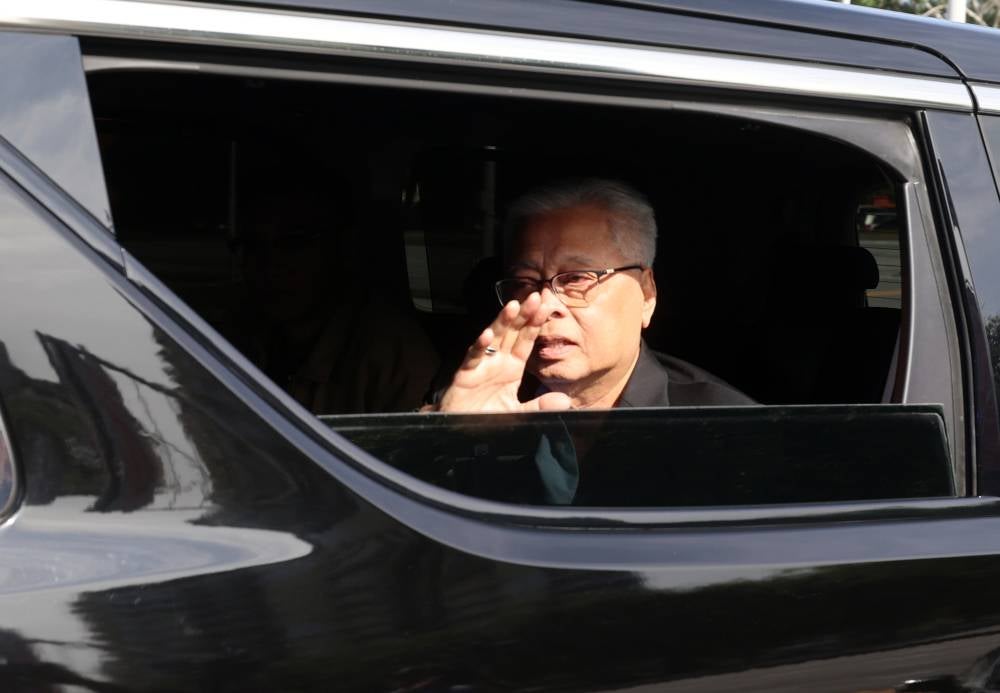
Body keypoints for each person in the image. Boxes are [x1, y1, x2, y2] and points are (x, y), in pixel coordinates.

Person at [431, 178, 752, 413]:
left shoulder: (725, 425)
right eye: (525, 283)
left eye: (575, 279)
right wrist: (453, 439)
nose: (544, 306)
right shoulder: (473, 391)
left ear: (647, 294)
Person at [234, 150, 439, 415]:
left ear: (340, 246)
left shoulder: (391, 357)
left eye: (294, 243)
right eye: (253, 246)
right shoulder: (237, 338)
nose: (270, 265)